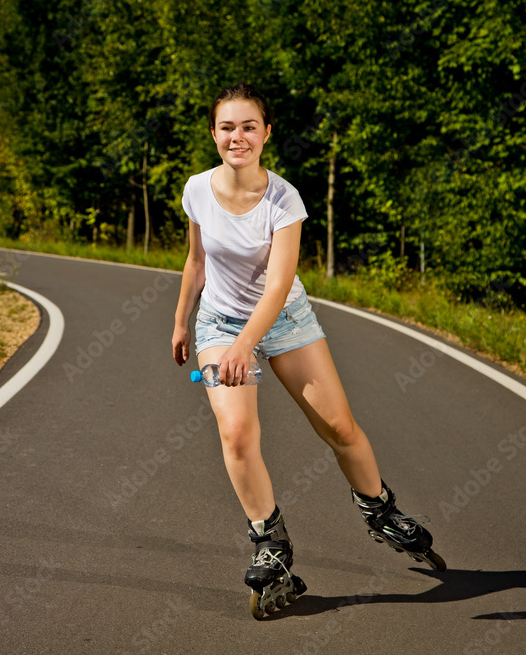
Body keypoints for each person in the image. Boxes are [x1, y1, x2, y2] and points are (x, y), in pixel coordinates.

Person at [171, 83, 441, 613]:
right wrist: (182, 323)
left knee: (339, 429)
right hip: (220, 322)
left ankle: (380, 509)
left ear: (266, 134)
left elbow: (277, 285)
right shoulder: (197, 189)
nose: (238, 137)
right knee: (236, 432)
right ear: (213, 133)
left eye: (249, 127)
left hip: (284, 319)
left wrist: (246, 345)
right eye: (227, 127)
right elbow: (196, 261)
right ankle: (270, 543)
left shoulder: (283, 199)